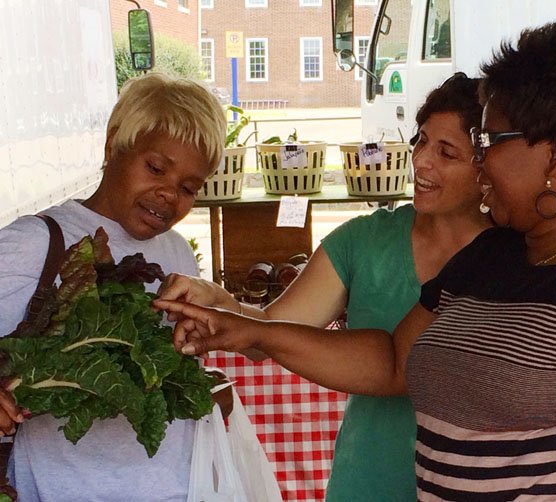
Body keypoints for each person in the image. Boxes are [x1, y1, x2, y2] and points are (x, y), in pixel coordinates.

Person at [156, 18, 556, 500]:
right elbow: (392, 363)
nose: (481, 158)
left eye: (489, 141)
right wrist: (248, 329)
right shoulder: (492, 256)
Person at [157, 73, 491, 501]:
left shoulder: (514, 255)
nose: (423, 161)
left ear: (487, 167)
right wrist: (218, 302)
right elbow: (269, 334)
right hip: (368, 478)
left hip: (475, 486)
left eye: (447, 153)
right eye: (421, 141)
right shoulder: (362, 241)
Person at [0, 72, 227, 501]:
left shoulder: (179, 253)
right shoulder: (37, 242)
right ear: (113, 145)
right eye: (156, 168)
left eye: (188, 188)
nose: (167, 195)